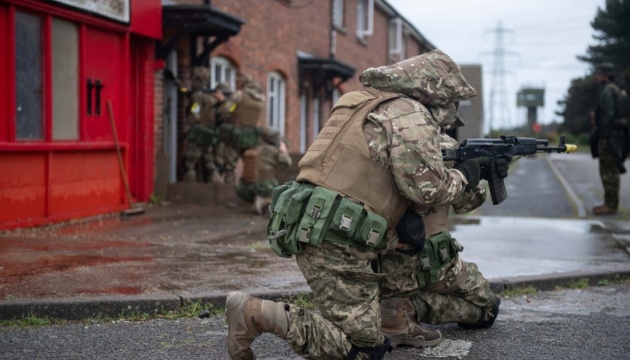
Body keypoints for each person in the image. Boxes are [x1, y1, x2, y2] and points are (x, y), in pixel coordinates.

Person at [225, 50, 510, 360]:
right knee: (362, 351)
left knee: (369, 336)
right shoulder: (408, 115)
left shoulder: (361, 102)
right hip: (337, 239)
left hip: (318, 224)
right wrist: (467, 174)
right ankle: (255, 313)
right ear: (435, 90)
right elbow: (428, 193)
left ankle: (391, 317)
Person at [591, 62, 630, 215]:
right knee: (612, 168)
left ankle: (610, 205)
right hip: (619, 133)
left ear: (605, 75)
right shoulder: (620, 90)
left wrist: (603, 136)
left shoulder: (609, 91)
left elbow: (607, 115)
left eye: (599, 74)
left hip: (611, 135)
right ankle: (610, 203)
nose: (597, 77)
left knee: (608, 170)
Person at [218, 74, 266, 185]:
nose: (236, 84)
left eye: (237, 82)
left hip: (235, 135)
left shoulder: (239, 95)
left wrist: (223, 102)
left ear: (243, 83)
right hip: (251, 137)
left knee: (229, 166)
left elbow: (226, 111)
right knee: (250, 165)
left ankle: (228, 191)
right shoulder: (261, 98)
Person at [183, 67, 226, 183]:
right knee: (209, 160)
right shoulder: (212, 97)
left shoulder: (198, 96)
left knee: (190, 161)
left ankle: (189, 186)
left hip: (198, 133)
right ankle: (217, 182)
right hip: (209, 133)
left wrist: (188, 126)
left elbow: (194, 111)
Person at [235, 127, 292, 214]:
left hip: (245, 188)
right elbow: (287, 163)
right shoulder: (272, 151)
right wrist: (283, 151)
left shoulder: (252, 149)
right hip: (265, 187)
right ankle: (264, 200)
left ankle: (257, 197)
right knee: (285, 188)